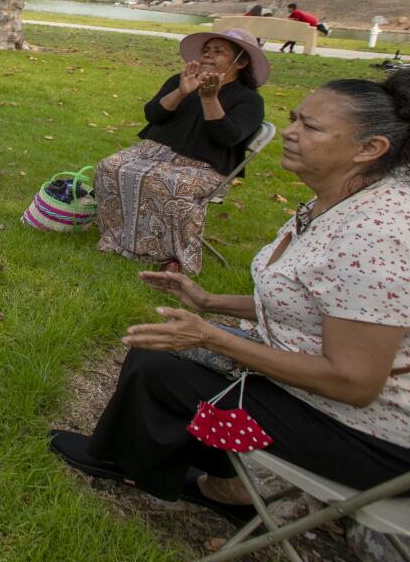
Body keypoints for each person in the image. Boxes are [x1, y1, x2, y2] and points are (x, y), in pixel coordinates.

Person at [53, 72, 410, 525]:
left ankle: (172, 476)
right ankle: (212, 477)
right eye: (295, 118)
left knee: (164, 366)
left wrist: (213, 338)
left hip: (367, 438)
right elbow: (309, 306)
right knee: (157, 353)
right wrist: (209, 302)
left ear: (370, 149)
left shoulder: (378, 231)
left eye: (312, 127)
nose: (292, 132)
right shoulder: (341, 201)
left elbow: (354, 383)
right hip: (331, 399)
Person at [95, 28, 268, 274]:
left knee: (170, 184)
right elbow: (152, 114)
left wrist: (210, 99)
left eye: (219, 52)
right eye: (206, 50)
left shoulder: (249, 100)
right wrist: (181, 92)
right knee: (109, 167)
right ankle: (117, 239)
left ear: (240, 61)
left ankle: (174, 257)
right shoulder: (181, 79)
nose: (209, 55)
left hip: (205, 165)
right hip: (153, 151)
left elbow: (226, 137)